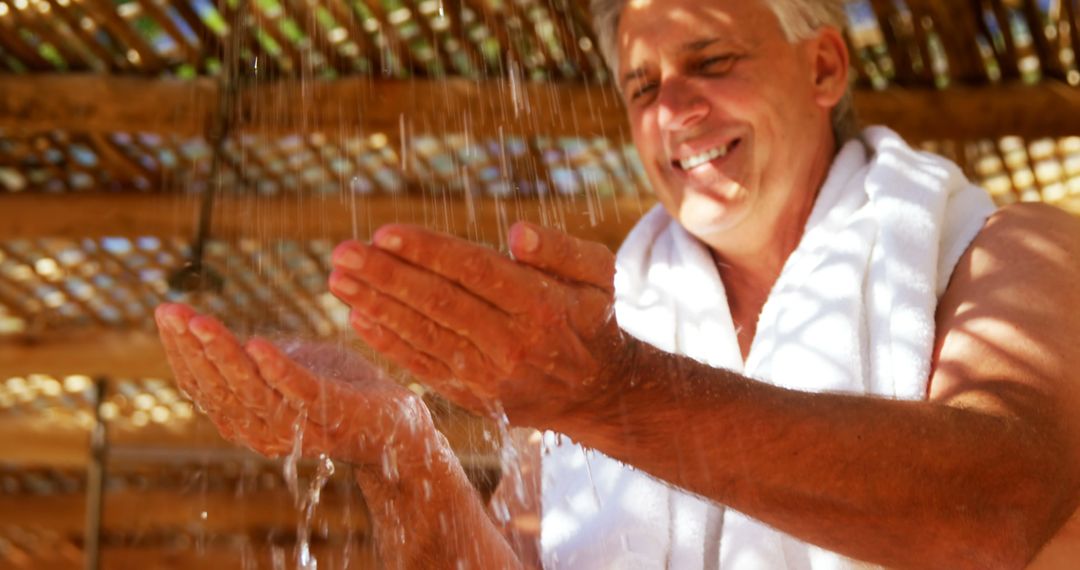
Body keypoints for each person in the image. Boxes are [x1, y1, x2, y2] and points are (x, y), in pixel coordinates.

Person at [155, 0, 1080, 567]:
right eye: (642, 88)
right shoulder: (605, 322)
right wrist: (402, 455)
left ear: (823, 65)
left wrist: (607, 393)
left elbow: (995, 512)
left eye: (713, 63)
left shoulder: (1011, 253)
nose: (674, 110)